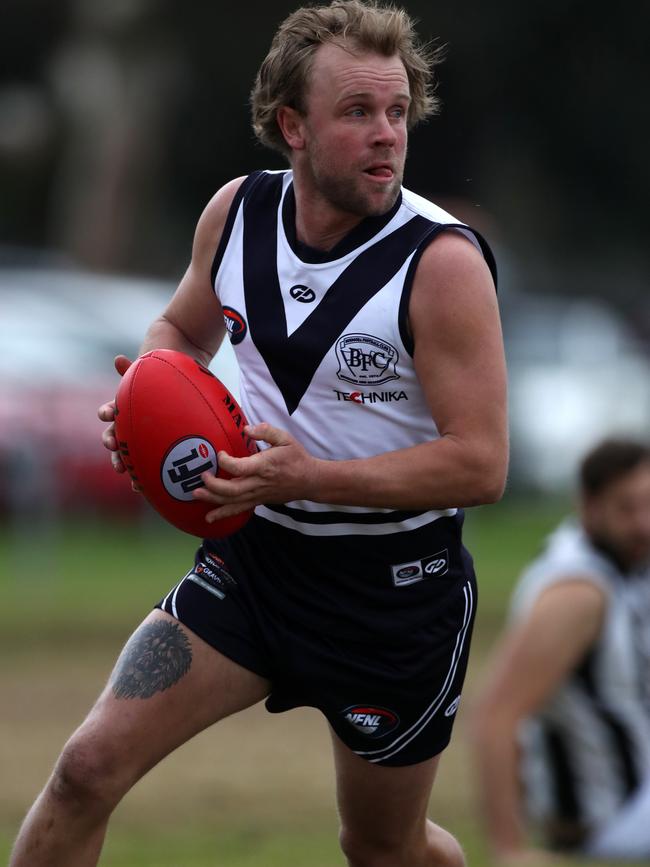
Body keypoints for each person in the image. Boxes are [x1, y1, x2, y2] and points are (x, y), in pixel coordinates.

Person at [10, 2, 508, 865]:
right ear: (293, 126)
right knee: (86, 768)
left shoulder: (442, 264)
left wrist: (305, 475)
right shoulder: (237, 215)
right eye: (358, 112)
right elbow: (174, 334)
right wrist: (145, 406)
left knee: (383, 847)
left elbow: (482, 463)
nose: (387, 135)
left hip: (392, 597)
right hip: (254, 562)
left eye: (398, 112)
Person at [471, 438, 650, 863]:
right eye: (626, 508)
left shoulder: (624, 563)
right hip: (611, 820)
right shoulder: (579, 592)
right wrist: (509, 850)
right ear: (588, 505)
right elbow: (494, 717)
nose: (644, 522)